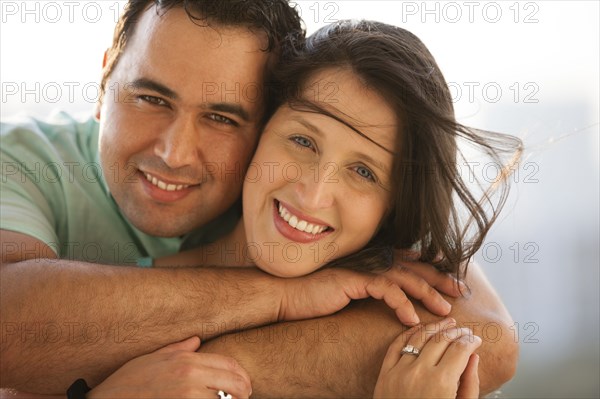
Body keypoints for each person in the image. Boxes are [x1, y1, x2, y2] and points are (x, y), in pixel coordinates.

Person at [0, 1, 518, 397]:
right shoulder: (25, 163)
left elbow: (491, 339)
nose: (175, 153)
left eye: (222, 118)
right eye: (151, 98)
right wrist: (281, 299)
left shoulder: (387, 281)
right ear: (105, 77)